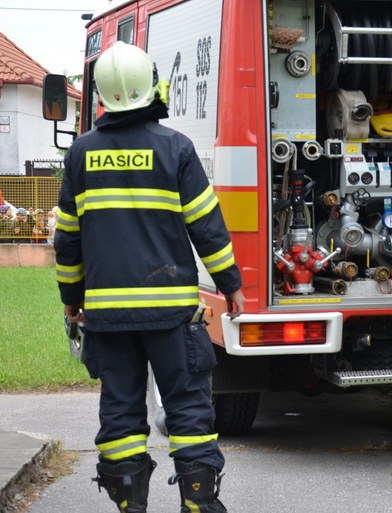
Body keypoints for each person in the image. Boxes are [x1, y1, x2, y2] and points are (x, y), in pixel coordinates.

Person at [55, 41, 246, 513]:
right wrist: (230, 284)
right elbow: (207, 226)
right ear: (152, 87)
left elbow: (67, 239)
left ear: (102, 95)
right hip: (170, 314)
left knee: (120, 411)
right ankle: (198, 503)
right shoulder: (175, 148)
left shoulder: (80, 154)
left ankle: (129, 505)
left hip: (108, 318)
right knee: (188, 408)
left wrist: (70, 296)